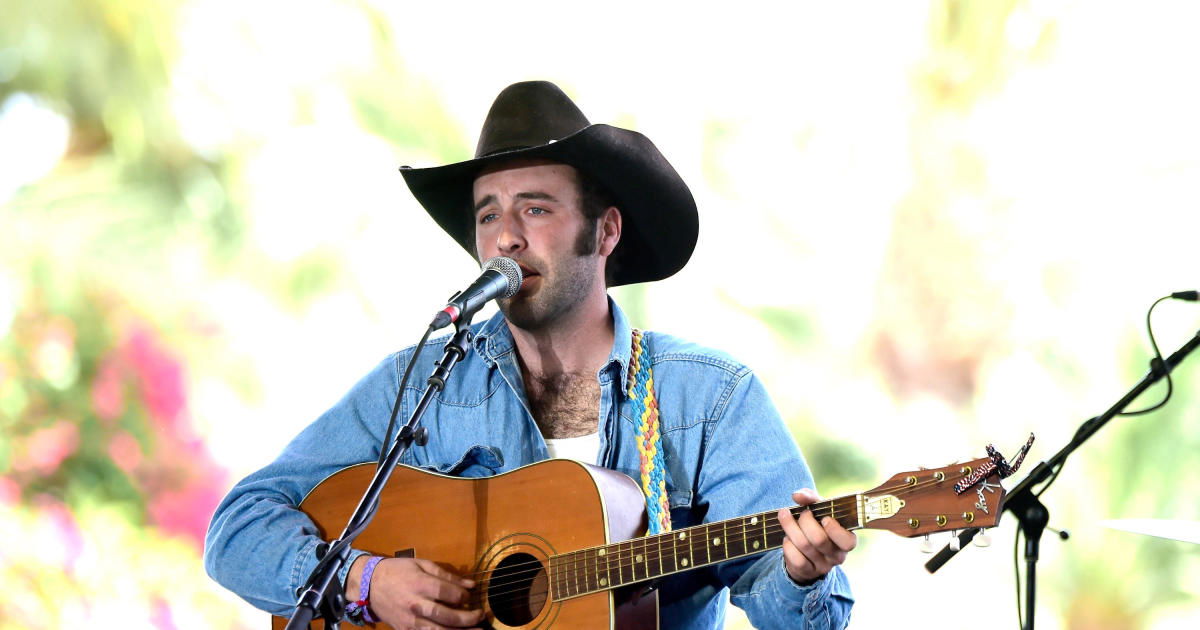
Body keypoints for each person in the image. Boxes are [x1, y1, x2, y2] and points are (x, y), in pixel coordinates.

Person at [204, 81, 855, 629]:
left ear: (605, 230)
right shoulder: (422, 381)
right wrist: (366, 580)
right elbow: (237, 530)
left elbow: (798, 610)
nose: (506, 236)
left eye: (535, 208)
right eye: (488, 215)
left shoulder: (706, 398)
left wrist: (801, 572)